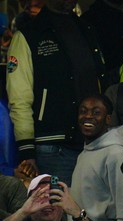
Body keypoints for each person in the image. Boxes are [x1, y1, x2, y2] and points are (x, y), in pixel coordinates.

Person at [7, 0, 106, 180]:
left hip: (93, 143)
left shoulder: (86, 28)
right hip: (51, 147)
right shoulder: (28, 35)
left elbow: (99, 83)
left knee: (89, 209)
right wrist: (26, 151)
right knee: (57, 208)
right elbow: (19, 98)